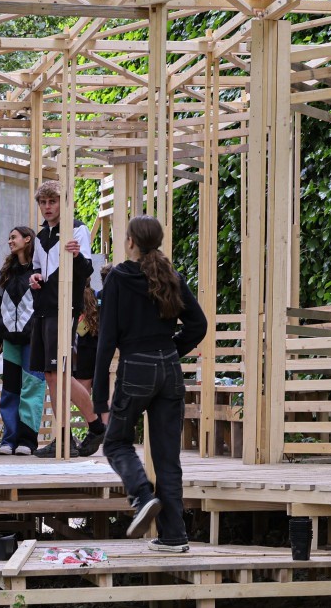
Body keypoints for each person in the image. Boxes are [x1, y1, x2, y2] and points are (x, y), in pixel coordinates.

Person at [92, 216, 207, 553]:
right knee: (168, 459)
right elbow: (198, 324)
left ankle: (141, 496)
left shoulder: (117, 278)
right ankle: (174, 536)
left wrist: (100, 397)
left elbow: (107, 340)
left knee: (115, 444)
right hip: (169, 370)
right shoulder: (170, 274)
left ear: (130, 242)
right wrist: (172, 349)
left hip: (136, 369)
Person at [28, 181, 103, 458]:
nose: (47, 207)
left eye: (52, 201)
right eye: (43, 202)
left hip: (65, 307)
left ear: (63, 202)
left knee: (59, 372)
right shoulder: (40, 236)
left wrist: (74, 255)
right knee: (50, 374)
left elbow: (86, 269)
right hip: (44, 308)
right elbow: (37, 269)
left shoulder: (77, 228)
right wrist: (33, 279)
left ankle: (95, 425)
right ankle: (64, 437)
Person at [0, 226, 43, 455]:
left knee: (33, 385)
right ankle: (9, 439)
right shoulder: (7, 271)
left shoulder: (41, 268)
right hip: (10, 338)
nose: (10, 241)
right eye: (9, 237)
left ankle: (27, 440)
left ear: (27, 239)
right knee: (10, 388)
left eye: (14, 237)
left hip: (34, 338)